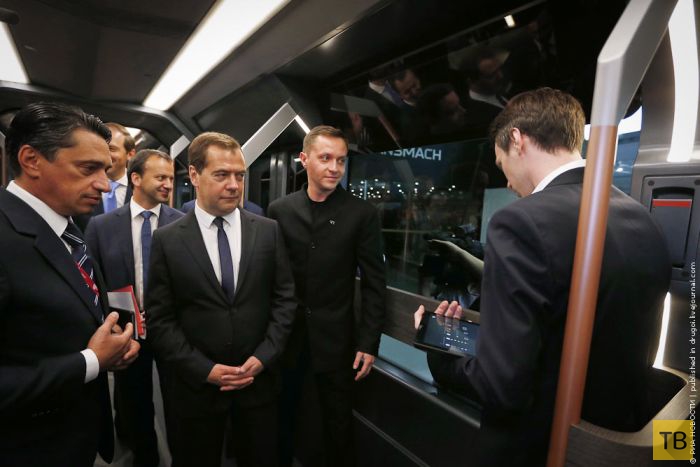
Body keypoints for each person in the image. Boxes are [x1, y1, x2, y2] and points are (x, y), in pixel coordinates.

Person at [414, 88, 671, 466]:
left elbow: (502, 386)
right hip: (607, 440)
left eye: (501, 164)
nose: (507, 182)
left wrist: (441, 353)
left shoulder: (520, 222)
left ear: (517, 140)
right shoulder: (642, 218)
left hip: (540, 447)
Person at [0, 102, 140, 467]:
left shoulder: (68, 228)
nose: (105, 184)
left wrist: (111, 349)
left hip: (74, 436)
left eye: (106, 169)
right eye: (88, 168)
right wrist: (91, 361)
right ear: (31, 160)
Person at [147, 132, 296, 467]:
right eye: (222, 174)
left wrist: (263, 357)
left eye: (239, 175)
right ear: (194, 175)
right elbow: (161, 319)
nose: (234, 185)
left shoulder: (268, 231)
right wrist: (205, 370)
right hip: (196, 389)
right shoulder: (167, 240)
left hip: (258, 385)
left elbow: (285, 301)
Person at [268, 125, 386, 467]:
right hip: (286, 337)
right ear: (304, 160)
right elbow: (270, 278)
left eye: (341, 160)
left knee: (338, 424)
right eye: (325, 158)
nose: (335, 168)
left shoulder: (362, 214)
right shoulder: (280, 210)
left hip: (337, 340)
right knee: (282, 418)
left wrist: (368, 343)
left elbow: (375, 283)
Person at [85, 149, 183, 467]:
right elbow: (94, 282)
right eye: (161, 177)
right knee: (135, 404)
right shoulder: (101, 226)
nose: (168, 184)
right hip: (127, 331)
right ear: (136, 178)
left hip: (173, 330)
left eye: (171, 178)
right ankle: (146, 457)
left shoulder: (183, 223)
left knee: (177, 403)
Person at [75, 122, 136, 230]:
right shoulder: (78, 185)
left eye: (111, 149)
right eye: (98, 148)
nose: (103, 155)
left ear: (130, 154)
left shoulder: (142, 188)